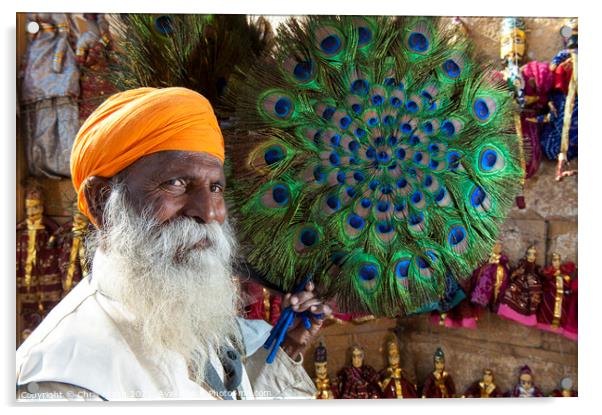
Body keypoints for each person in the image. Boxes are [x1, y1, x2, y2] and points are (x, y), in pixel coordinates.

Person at [16, 87, 331, 401]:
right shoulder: (65, 383)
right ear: (102, 202)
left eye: (216, 187)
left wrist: (284, 347)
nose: (209, 211)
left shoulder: (183, 309)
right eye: (176, 183)